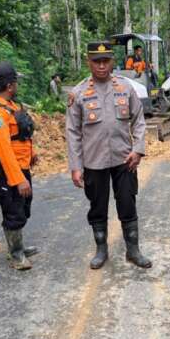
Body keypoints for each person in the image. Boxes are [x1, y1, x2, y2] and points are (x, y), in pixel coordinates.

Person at [66, 41, 151, 269]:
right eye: (97, 61)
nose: (102, 66)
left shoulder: (125, 87)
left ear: (113, 61)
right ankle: (101, 249)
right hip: (94, 162)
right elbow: (73, 132)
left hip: (125, 159)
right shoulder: (79, 93)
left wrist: (138, 149)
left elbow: (139, 120)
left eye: (106, 61)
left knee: (127, 203)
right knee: (97, 206)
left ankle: (133, 250)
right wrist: (76, 166)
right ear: (89, 62)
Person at [0, 61, 39, 270]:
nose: (17, 86)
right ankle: (16, 255)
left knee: (23, 207)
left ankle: (19, 246)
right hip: (6, 170)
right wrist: (19, 179)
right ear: (9, 86)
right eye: (16, 83)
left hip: (20, 165)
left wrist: (32, 154)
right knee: (13, 210)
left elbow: (20, 136)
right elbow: (4, 150)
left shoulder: (10, 106)